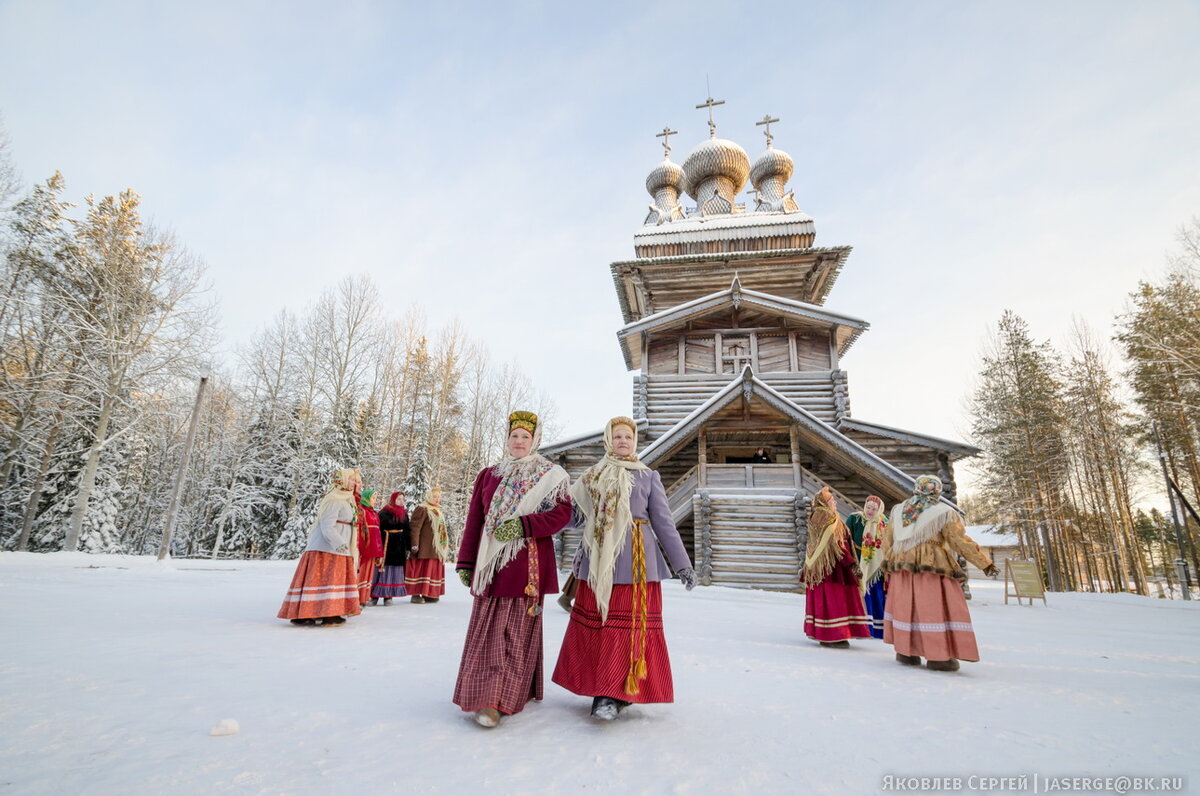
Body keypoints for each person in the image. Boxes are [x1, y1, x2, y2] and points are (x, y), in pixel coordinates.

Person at [552, 416, 696, 721]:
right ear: (608, 441)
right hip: (599, 563)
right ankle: (600, 689)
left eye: (627, 437)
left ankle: (615, 694)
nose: (622, 441)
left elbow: (665, 524)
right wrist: (545, 513)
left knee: (627, 628)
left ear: (634, 442)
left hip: (636, 563)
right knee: (600, 626)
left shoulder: (647, 477)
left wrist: (682, 564)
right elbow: (574, 517)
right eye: (617, 436)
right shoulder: (592, 476)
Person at [452, 410, 572, 728]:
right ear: (507, 439)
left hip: (526, 568)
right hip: (491, 568)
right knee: (487, 633)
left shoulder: (550, 475)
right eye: (514, 436)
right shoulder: (489, 475)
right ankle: (483, 694)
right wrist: (466, 562)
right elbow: (474, 521)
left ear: (535, 440)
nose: (519, 442)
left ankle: (498, 701)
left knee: (513, 634)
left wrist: (523, 525)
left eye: (525, 437)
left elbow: (562, 515)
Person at [882, 475, 998, 671]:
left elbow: (888, 541)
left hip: (901, 566)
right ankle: (939, 656)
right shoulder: (943, 512)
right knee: (932, 607)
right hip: (931, 565)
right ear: (937, 490)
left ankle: (906, 651)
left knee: (906, 606)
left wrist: (888, 563)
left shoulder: (899, 511)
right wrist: (984, 562)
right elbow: (958, 540)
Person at [277, 468, 363, 627]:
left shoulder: (346, 499)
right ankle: (318, 614)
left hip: (338, 548)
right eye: (351, 480)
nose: (355, 483)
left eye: (355, 480)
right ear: (342, 480)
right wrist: (340, 544)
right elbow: (327, 526)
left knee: (331, 581)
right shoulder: (335, 499)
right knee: (324, 580)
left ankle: (328, 612)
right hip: (328, 548)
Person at [803, 487, 871, 647]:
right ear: (824, 502)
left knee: (823, 600)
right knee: (835, 600)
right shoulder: (828, 516)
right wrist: (851, 563)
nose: (835, 502)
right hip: (833, 567)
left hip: (818, 567)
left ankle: (823, 633)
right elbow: (836, 544)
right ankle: (834, 635)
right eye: (831, 500)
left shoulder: (815, 515)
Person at [846, 495, 888, 639]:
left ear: (879, 509)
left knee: (875, 594)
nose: (870, 511)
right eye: (868, 507)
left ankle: (876, 629)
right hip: (857, 561)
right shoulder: (855, 519)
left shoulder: (884, 523)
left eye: (874, 509)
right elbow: (845, 538)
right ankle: (858, 627)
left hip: (877, 566)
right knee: (858, 593)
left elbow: (888, 543)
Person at [405, 486, 451, 603]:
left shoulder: (437, 510)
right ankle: (415, 594)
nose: (437, 499)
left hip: (436, 548)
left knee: (432, 569)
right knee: (420, 569)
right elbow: (415, 527)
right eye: (435, 497)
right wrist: (414, 544)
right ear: (429, 497)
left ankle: (430, 593)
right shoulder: (422, 509)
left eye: (439, 497)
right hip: (424, 547)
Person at [372, 490, 410, 605]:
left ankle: (388, 596)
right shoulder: (385, 512)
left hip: (399, 545)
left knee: (393, 570)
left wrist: (408, 546)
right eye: (399, 499)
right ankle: (374, 596)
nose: (401, 501)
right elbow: (378, 528)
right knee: (382, 569)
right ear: (393, 499)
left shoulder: (404, 513)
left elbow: (408, 530)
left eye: (403, 499)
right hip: (387, 544)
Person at [357, 489, 384, 606]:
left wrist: (380, 551)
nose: (374, 501)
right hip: (364, 547)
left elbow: (377, 533)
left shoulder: (373, 512)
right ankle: (356, 598)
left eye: (375, 499)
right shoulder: (362, 511)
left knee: (368, 574)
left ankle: (364, 597)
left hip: (373, 547)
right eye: (372, 498)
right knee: (361, 573)